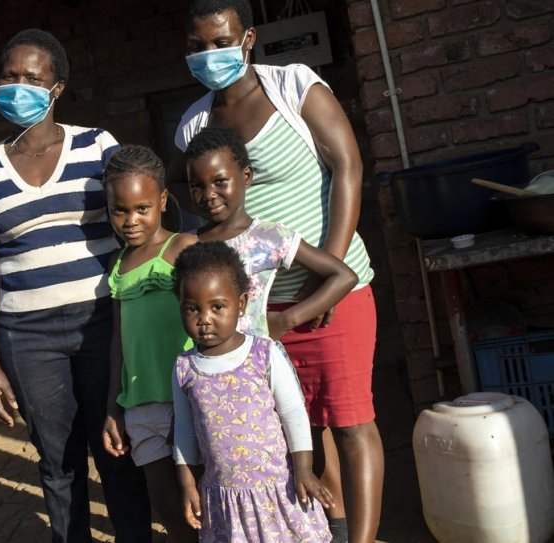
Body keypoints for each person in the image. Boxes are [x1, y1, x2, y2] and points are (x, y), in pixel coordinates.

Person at [172, 1, 384, 541]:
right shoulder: (194, 123)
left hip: (333, 285)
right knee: (303, 426)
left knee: (351, 421)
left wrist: (325, 278)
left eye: (220, 41)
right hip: (258, 312)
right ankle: (327, 529)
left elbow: (348, 166)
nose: (209, 54)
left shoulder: (293, 86)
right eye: (197, 46)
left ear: (247, 39)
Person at [0, 28, 151, 543]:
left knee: (117, 449)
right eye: (10, 75)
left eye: (32, 77)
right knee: (57, 461)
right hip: (27, 335)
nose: (18, 86)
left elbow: (137, 221)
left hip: (102, 321)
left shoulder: (97, 145)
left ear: (57, 87)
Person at [171, 241, 334, 542]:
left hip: (279, 490)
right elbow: (183, 431)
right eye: (192, 308)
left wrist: (304, 470)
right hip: (224, 501)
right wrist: (188, 485)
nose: (204, 318)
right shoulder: (184, 368)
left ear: (242, 304)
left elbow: (293, 413)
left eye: (217, 306)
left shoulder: (264, 354)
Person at [99, 146, 198, 543]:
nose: (130, 220)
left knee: (202, 492)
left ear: (161, 200)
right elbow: (118, 341)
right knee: (165, 502)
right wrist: (112, 408)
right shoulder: (117, 265)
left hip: (190, 397)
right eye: (119, 210)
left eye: (142, 208)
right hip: (141, 402)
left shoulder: (183, 247)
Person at [185, 126, 357, 340]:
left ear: (246, 176)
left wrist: (287, 320)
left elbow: (344, 276)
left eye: (220, 182)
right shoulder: (187, 244)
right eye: (197, 186)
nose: (209, 194)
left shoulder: (268, 237)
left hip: (257, 364)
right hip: (204, 368)